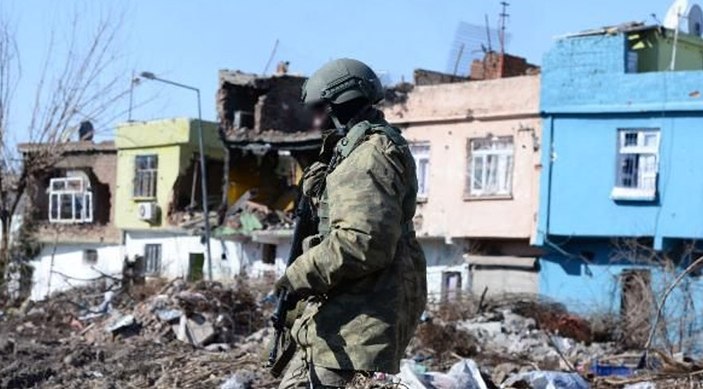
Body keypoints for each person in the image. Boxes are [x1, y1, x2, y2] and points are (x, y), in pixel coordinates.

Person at [275, 58, 427, 388]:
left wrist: (297, 276)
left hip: (359, 321)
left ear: (339, 106)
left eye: (319, 108)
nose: (314, 119)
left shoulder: (369, 154)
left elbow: (363, 241)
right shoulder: (353, 151)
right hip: (345, 315)